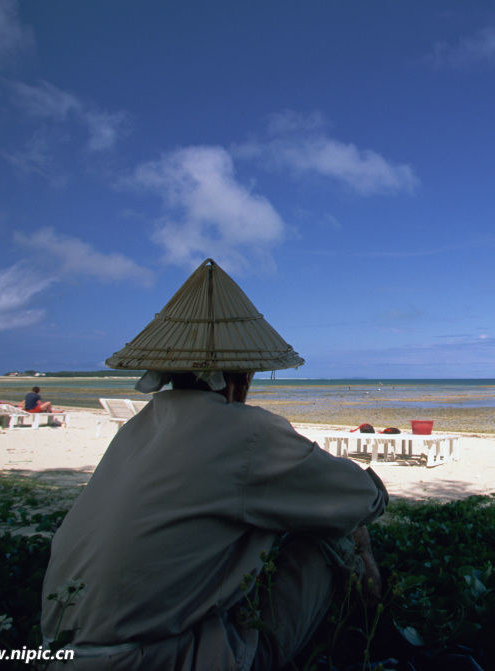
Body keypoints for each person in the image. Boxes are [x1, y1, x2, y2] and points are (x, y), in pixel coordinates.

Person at [41, 259, 388, 670]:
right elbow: (362, 498)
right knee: (341, 531)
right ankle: (379, 639)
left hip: (56, 652)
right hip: (157, 660)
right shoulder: (246, 434)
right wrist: (366, 496)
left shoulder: (135, 430)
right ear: (241, 376)